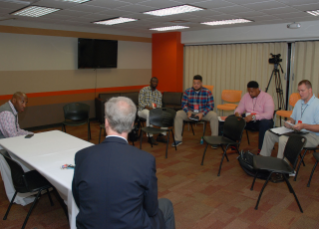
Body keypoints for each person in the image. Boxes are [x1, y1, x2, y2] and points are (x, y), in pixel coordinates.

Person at [72, 96, 175, 229]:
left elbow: (79, 199)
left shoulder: (82, 156)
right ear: (132, 124)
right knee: (166, 205)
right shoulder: (145, 160)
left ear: (106, 122)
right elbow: (151, 209)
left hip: (90, 225)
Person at [260, 80, 319, 181]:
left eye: (302, 90)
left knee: (284, 139)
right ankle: (263, 164)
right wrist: (289, 122)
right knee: (269, 133)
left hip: (312, 136)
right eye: (299, 90)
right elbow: (293, 118)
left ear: (310, 90)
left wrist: (304, 125)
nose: (300, 93)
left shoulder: (317, 104)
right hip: (297, 132)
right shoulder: (299, 102)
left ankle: (282, 171)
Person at [0, 92, 35, 206]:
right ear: (14, 100)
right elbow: (12, 137)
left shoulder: (12, 110)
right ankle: (19, 194)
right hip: (2, 146)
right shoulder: (7, 113)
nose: (24, 105)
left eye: (26, 102)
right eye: (22, 102)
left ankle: (24, 187)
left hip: (5, 142)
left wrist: (30, 134)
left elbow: (16, 130)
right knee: (13, 168)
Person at [173, 75, 218, 147]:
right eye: (194, 83)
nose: (196, 85)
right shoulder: (187, 91)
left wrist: (202, 114)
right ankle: (178, 139)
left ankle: (214, 140)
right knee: (178, 114)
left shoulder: (207, 92)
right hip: (190, 112)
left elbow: (211, 105)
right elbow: (184, 104)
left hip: (203, 113)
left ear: (201, 83)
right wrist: (188, 111)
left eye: (198, 83)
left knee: (214, 115)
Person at [235, 81, 275, 153]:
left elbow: (269, 115)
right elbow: (240, 108)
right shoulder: (246, 96)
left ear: (257, 89)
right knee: (234, 119)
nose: (250, 93)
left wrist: (254, 117)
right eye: (249, 91)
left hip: (261, 120)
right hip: (248, 119)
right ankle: (233, 146)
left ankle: (261, 150)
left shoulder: (267, 97)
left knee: (265, 123)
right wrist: (237, 113)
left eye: (252, 91)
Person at [138, 77, 166, 145]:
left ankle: (161, 135)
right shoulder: (143, 90)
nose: (154, 83)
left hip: (154, 111)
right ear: (150, 82)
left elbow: (159, 104)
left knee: (165, 115)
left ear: (157, 83)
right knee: (149, 113)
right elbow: (140, 102)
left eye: (156, 82)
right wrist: (148, 107)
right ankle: (150, 137)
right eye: (153, 81)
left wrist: (156, 110)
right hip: (143, 110)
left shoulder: (159, 93)